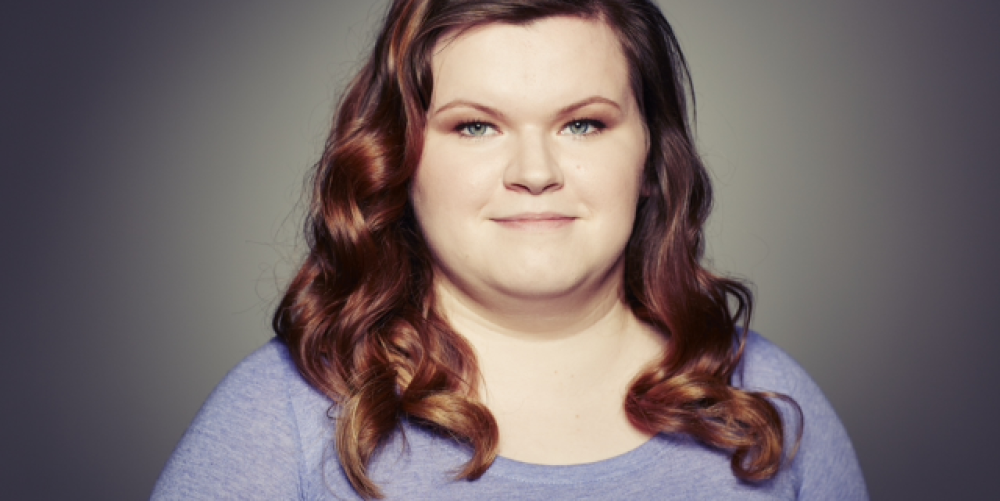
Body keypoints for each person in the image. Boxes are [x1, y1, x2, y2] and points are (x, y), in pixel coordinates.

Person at [153, 0, 867, 499]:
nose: (534, 172)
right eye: (474, 127)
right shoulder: (280, 414)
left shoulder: (768, 403)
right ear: (401, 158)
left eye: (583, 124)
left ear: (651, 160)